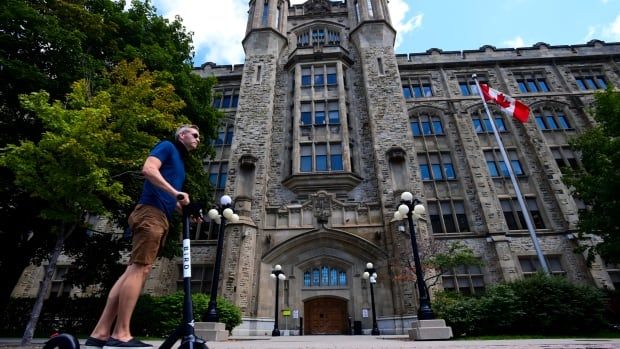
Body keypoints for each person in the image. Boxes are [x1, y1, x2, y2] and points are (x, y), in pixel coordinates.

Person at [86, 125, 201, 349]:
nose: (198, 139)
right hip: (150, 213)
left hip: (160, 215)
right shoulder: (167, 146)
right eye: (195, 135)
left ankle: (99, 334)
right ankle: (121, 334)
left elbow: (170, 197)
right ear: (182, 135)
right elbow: (148, 169)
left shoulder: (180, 164)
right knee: (141, 268)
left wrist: (186, 209)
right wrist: (176, 193)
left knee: (134, 269)